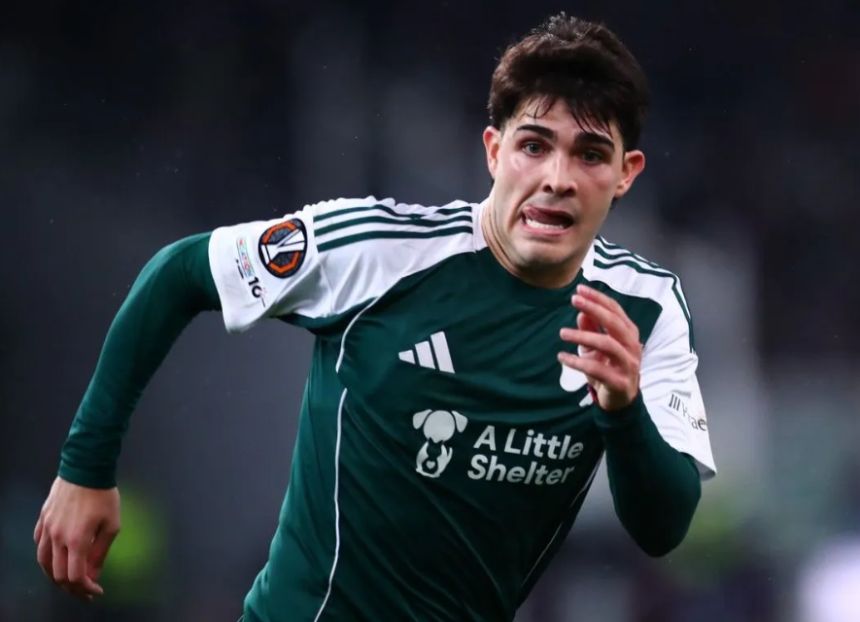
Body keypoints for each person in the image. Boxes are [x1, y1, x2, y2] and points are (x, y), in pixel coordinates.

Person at [34, 12, 716, 622]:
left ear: (626, 173)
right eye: (534, 146)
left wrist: (623, 413)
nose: (557, 178)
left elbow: (663, 528)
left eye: (589, 154)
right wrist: (85, 467)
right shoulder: (377, 250)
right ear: (493, 151)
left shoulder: (646, 309)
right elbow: (179, 272)